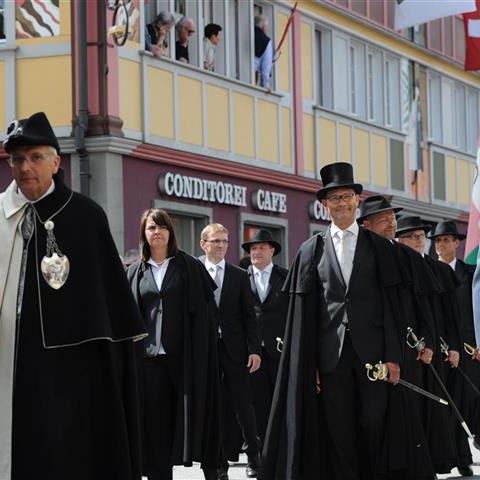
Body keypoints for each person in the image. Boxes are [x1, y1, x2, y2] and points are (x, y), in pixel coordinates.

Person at [0, 112, 147, 480]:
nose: (25, 167)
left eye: (35, 158)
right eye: (17, 159)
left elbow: (106, 310)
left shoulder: (85, 217)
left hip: (67, 375)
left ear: (56, 161)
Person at [262, 162, 403, 480]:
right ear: (324, 205)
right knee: (337, 427)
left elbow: (393, 306)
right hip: (330, 357)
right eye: (334, 198)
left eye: (346, 196)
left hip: (374, 355)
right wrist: (308, 362)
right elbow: (304, 316)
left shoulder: (380, 248)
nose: (341, 203)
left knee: (373, 422)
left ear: (357, 200)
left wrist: (394, 356)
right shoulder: (311, 250)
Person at [127, 208, 221, 480]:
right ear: (144, 234)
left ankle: (212, 470)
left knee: (188, 418)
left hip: (184, 360)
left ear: (170, 232)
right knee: (154, 425)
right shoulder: (135, 272)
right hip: (148, 362)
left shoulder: (189, 266)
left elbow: (206, 314)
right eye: (151, 228)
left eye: (162, 227)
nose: (157, 232)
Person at [199, 223, 262, 480]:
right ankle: (219, 466)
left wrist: (254, 349)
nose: (221, 245)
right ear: (203, 244)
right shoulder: (194, 271)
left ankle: (256, 458)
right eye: (216, 241)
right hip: (206, 351)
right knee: (215, 408)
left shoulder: (239, 275)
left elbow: (250, 315)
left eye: (225, 241)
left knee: (243, 407)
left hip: (235, 351)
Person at [429, 221, 479, 476]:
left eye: (446, 240)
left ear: (457, 243)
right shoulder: (429, 271)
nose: (441, 245)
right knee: (450, 403)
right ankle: (460, 457)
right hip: (443, 347)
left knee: (470, 398)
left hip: (472, 349)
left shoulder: (471, 273)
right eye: (437, 241)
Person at [241, 229, 288, 445]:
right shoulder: (240, 277)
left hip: (279, 351)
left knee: (279, 402)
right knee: (255, 403)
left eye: (261, 247)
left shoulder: (285, 277)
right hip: (252, 352)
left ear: (272, 250)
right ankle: (257, 453)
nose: (256, 252)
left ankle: (279, 448)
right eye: (253, 248)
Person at [254, 15, 273, 89]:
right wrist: (266, 87)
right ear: (263, 27)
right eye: (267, 27)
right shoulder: (266, 41)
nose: (267, 29)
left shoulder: (245, 33)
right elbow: (266, 67)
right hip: (252, 76)